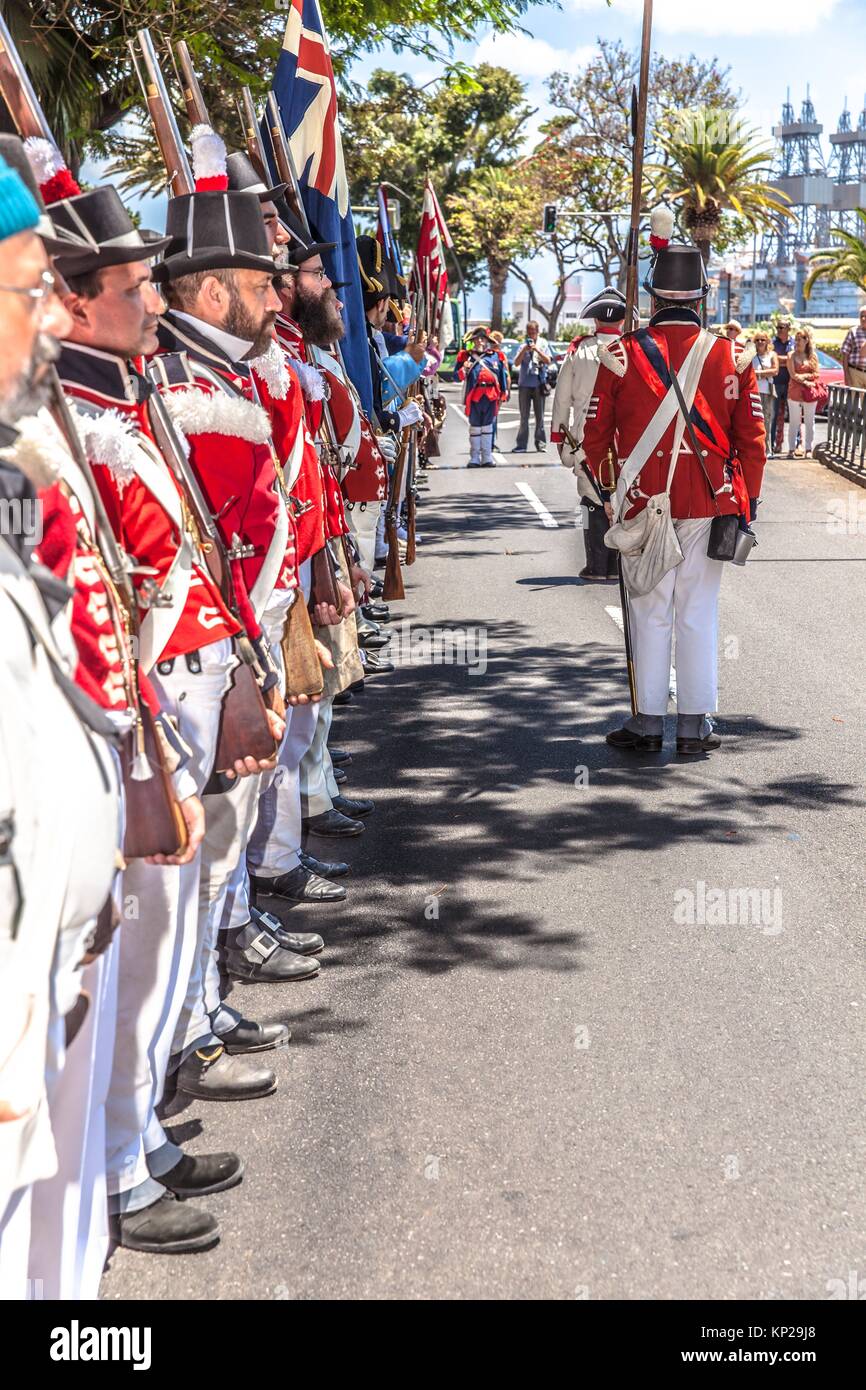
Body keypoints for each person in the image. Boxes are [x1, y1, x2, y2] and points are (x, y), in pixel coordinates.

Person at [582, 219, 765, 756]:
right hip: (711, 504)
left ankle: (646, 721)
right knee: (698, 611)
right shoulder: (733, 357)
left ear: (654, 299)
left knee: (649, 608)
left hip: (643, 503)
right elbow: (752, 444)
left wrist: (610, 495)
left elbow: (595, 438)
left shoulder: (621, 354)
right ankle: (692, 724)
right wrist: (746, 506)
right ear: (702, 297)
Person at [551, 286, 630, 581]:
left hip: (585, 438)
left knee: (591, 499)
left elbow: (562, 399)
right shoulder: (630, 348)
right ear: (622, 321)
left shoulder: (579, 350)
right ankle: (618, 566)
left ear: (595, 321)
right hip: (625, 438)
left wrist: (561, 441)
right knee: (623, 496)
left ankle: (597, 565)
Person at [458, 328, 509, 467]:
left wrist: (504, 392)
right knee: (475, 427)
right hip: (474, 395)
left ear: (487, 341)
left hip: (491, 395)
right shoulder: (467, 357)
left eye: (483, 338)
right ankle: (474, 457)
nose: (480, 341)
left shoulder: (495, 356)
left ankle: (487, 456)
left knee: (487, 427)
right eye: (477, 339)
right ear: (473, 341)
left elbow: (501, 376)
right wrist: (464, 369)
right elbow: (459, 376)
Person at [512, 320, 550, 453]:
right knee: (524, 416)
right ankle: (521, 445)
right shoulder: (522, 345)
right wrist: (524, 350)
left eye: (533, 333)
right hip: (524, 385)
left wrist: (536, 350)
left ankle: (541, 444)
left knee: (540, 417)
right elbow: (516, 363)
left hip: (538, 384)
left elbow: (548, 360)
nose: (531, 335)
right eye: (529, 333)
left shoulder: (543, 344)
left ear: (537, 332)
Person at [786, 327, 820, 458]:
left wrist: (804, 377)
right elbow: (793, 375)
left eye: (800, 339)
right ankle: (791, 448)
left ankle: (808, 448)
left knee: (810, 421)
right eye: (796, 339)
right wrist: (807, 379)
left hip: (809, 393)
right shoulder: (791, 355)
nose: (797, 342)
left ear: (807, 341)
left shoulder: (813, 356)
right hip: (794, 392)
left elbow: (816, 374)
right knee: (794, 422)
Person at [751, 331, 778, 453]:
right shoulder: (751, 355)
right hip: (752, 392)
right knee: (753, 421)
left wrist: (758, 374)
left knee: (767, 420)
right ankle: (755, 448)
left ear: (767, 341)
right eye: (757, 340)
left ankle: (767, 449)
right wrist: (765, 372)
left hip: (767, 392)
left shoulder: (772, 355)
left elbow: (775, 371)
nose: (760, 342)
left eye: (762, 340)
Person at [771, 318, 793, 454]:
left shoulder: (794, 342)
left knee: (794, 416)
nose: (779, 330)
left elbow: (795, 360)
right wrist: (788, 360)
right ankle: (773, 444)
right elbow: (772, 358)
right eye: (777, 327)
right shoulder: (772, 343)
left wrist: (780, 359)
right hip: (776, 383)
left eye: (782, 327)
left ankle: (795, 445)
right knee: (775, 415)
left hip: (791, 383)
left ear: (788, 329)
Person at [840, 305, 866, 389]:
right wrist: (846, 376)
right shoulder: (853, 331)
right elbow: (845, 355)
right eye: (861, 316)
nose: (863, 319)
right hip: (855, 372)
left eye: (865, 316)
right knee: (856, 400)